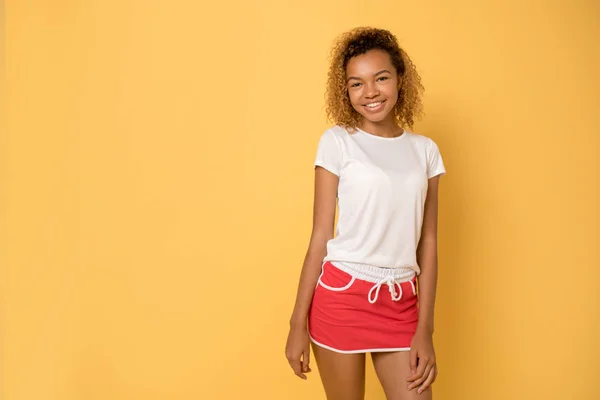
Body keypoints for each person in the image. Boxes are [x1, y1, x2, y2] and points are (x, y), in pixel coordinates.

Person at [285, 26, 447, 400]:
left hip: (402, 302)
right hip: (341, 297)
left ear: (400, 79)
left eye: (381, 78)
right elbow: (320, 237)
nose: (370, 92)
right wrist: (296, 324)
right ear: (345, 91)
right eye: (356, 84)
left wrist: (425, 328)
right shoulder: (338, 142)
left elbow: (429, 242)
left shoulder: (425, 152)